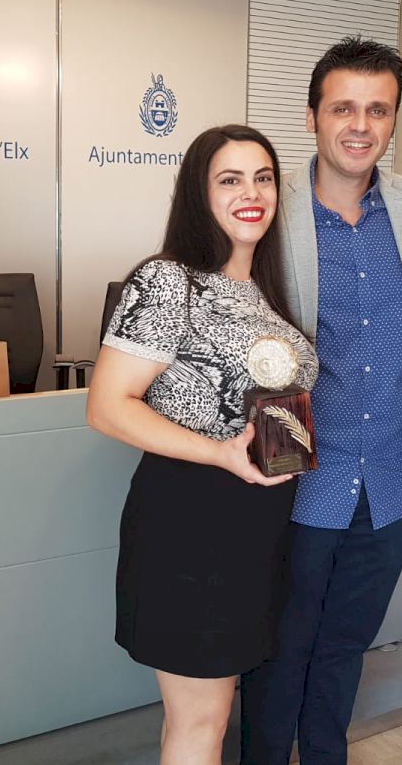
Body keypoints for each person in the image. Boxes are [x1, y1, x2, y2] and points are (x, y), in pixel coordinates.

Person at [86, 124, 318, 764]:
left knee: (205, 717)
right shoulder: (168, 281)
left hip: (258, 523)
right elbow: (107, 407)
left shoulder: (264, 289)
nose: (252, 193)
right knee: (201, 720)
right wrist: (220, 452)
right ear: (199, 192)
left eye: (263, 178)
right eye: (230, 179)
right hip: (191, 519)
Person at [240, 37, 402, 765]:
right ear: (311, 117)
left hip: (385, 482)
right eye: (343, 108)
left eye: (377, 110)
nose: (360, 125)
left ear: (394, 119)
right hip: (295, 477)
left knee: (345, 649)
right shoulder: (272, 207)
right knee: (277, 651)